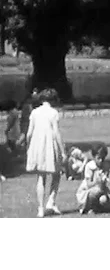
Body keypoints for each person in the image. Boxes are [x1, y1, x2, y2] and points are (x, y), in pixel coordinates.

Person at [25, 89, 67, 218]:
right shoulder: (53, 113)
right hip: (50, 145)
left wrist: (29, 147)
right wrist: (63, 151)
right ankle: (51, 201)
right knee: (57, 173)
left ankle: (41, 209)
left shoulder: (34, 112)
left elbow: (29, 133)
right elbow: (56, 133)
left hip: (37, 145)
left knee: (41, 177)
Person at [76, 144, 110, 215]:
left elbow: (103, 185)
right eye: (99, 158)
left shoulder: (105, 166)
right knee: (96, 191)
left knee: (104, 200)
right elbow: (88, 184)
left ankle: (98, 207)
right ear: (94, 157)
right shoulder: (90, 166)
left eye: (103, 158)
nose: (101, 160)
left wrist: (104, 180)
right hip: (87, 191)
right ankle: (89, 208)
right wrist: (97, 181)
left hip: (101, 190)